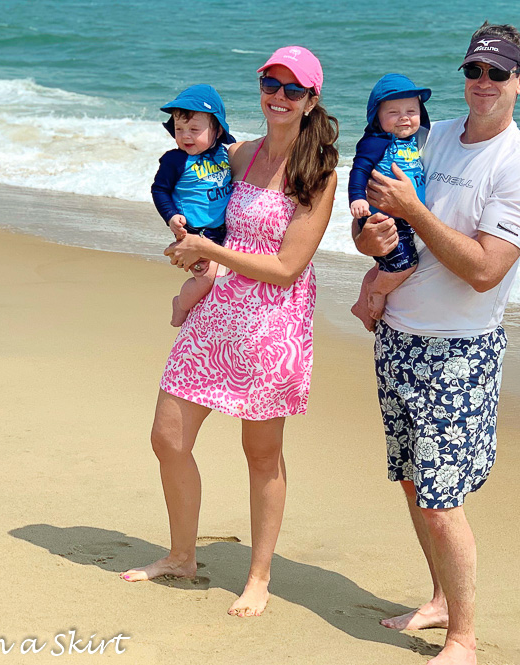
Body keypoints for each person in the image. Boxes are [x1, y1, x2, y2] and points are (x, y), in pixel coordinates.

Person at [354, 22, 520, 665]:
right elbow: (374, 232)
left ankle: (464, 638)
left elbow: (484, 269)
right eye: (475, 72)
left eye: (498, 73)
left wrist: (414, 212)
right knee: (412, 483)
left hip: (459, 350)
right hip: (398, 336)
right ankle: (439, 600)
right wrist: (374, 244)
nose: (483, 84)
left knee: (443, 500)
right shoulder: (428, 136)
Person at [121, 46, 339, 619]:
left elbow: (289, 267)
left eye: (293, 89)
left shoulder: (318, 174)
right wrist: (183, 238)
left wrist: (210, 250)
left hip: (273, 323)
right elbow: (188, 179)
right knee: (168, 437)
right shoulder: (239, 155)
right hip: (218, 310)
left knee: (261, 454)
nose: (280, 96)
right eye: (271, 83)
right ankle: (182, 556)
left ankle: (260, 577)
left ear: (312, 98)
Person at [348, 74, 431, 331]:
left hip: (402, 218)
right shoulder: (377, 142)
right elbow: (359, 169)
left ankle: (362, 304)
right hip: (381, 219)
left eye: (411, 110)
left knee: (386, 263)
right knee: (405, 264)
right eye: (393, 112)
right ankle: (376, 293)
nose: (404, 117)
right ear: (377, 118)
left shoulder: (413, 141)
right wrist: (357, 198)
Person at [150, 84, 236, 327]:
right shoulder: (175, 160)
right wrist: (171, 216)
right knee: (206, 278)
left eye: (194, 129)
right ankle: (181, 304)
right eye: (179, 129)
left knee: (228, 277)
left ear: (217, 130)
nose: (185, 135)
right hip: (195, 233)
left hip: (223, 233)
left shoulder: (225, 155)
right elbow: (160, 190)